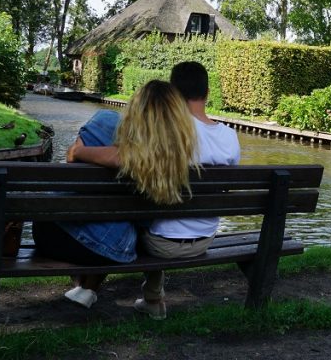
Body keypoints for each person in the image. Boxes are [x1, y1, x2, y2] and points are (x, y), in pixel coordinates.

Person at [70, 61, 240, 319]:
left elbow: (132, 162)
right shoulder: (230, 137)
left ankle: (93, 288)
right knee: (159, 209)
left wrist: (82, 151)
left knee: (143, 210)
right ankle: (150, 299)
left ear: (172, 94)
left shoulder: (169, 134)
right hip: (205, 238)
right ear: (207, 94)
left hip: (160, 243)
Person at [35, 82, 196, 309]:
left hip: (55, 239)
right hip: (115, 252)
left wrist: (80, 151)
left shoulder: (105, 121)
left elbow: (72, 158)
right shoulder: (173, 159)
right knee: (119, 223)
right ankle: (87, 288)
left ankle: (84, 285)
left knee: (93, 211)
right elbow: (145, 220)